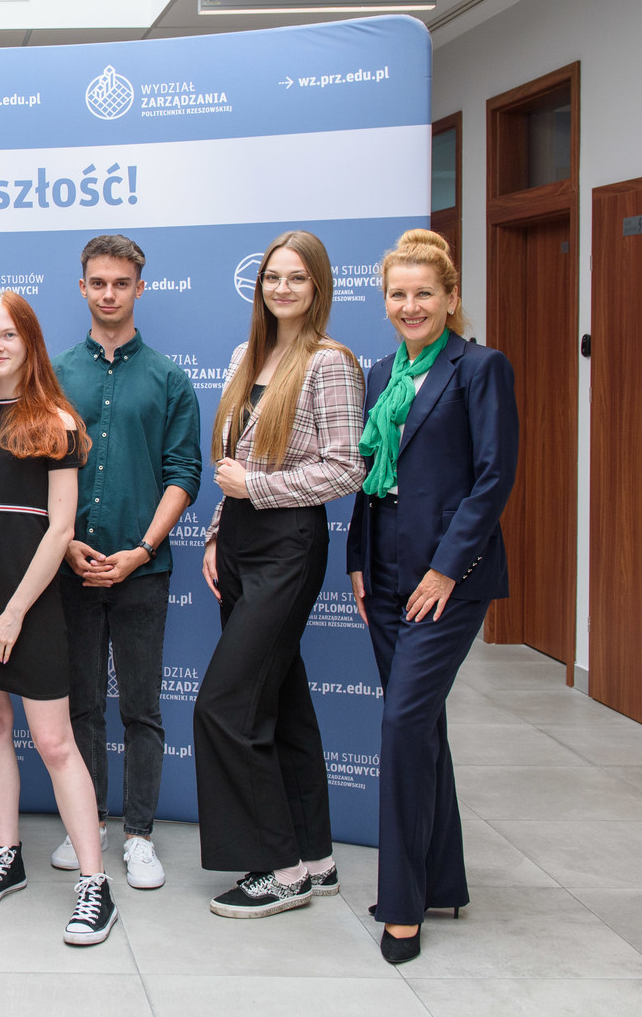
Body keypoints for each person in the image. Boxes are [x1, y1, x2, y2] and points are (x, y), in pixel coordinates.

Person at [0, 291, 117, 945]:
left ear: (30, 342)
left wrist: (12, 614)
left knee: (56, 743)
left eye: (9, 335)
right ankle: (6, 857)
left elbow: (60, 528)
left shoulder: (57, 421)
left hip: (27, 607)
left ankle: (94, 884)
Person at [347, 229, 517, 963]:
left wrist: (447, 569)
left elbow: (493, 477)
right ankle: (441, 878)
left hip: (447, 580)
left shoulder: (479, 368)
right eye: (398, 294)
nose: (410, 305)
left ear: (451, 298)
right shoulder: (383, 371)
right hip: (383, 573)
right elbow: (371, 477)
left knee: (401, 725)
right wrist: (357, 560)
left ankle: (403, 907)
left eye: (424, 293)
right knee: (421, 729)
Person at [194, 230, 365, 918]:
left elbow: (347, 468)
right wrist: (217, 533)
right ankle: (316, 858)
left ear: (317, 286)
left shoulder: (330, 362)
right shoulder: (248, 356)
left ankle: (279, 869)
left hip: (287, 546)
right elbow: (235, 460)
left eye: (296, 278)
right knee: (283, 705)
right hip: (239, 540)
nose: (282, 288)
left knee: (225, 707)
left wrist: (256, 492)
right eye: (272, 277)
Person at [51, 234, 201, 889]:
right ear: (82, 287)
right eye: (98, 282)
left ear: (140, 288)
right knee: (81, 706)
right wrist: (65, 544)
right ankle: (88, 825)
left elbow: (184, 472)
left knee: (141, 709)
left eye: (121, 283)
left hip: (144, 571)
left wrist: (141, 550)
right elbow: (37, 468)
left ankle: (140, 835)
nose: (108, 293)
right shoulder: (54, 375)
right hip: (70, 568)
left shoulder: (169, 379)